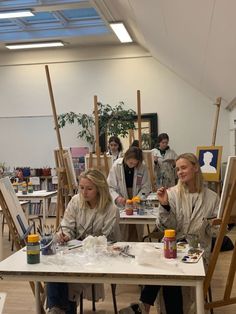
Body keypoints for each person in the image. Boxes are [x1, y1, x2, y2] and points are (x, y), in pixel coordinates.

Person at [120, 153, 219, 314]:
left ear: (195, 168)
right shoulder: (172, 193)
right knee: (167, 269)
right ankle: (147, 307)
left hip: (197, 250)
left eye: (184, 167)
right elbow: (165, 227)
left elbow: (214, 233)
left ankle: (143, 306)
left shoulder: (212, 197)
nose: (179, 172)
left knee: (167, 269)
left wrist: (216, 224)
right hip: (174, 244)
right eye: (177, 169)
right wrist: (165, 206)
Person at [46, 169, 120, 314]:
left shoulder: (111, 209)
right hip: (74, 253)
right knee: (54, 269)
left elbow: (108, 241)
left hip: (98, 258)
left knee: (68, 278)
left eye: (89, 188)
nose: (84, 192)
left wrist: (88, 244)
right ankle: (56, 309)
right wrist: (64, 235)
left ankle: (59, 309)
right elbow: (66, 225)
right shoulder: (75, 201)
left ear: (100, 189)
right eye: (81, 188)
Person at [107, 146, 151, 241]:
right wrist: (118, 198)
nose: (132, 165)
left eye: (135, 164)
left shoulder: (142, 167)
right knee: (122, 230)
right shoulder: (116, 166)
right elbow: (110, 187)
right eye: (131, 162)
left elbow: (146, 187)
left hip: (136, 200)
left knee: (136, 229)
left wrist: (138, 198)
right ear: (126, 157)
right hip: (121, 200)